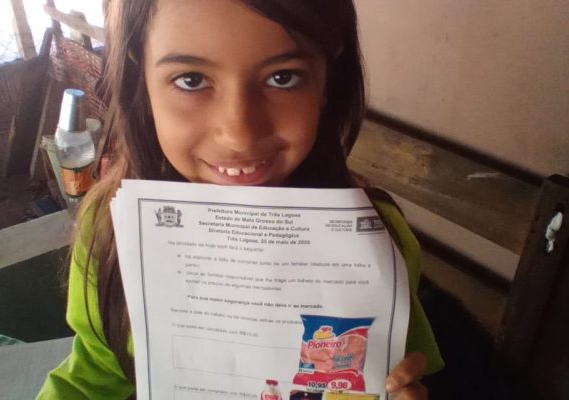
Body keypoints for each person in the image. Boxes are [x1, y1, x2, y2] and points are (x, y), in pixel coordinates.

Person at [37, 0, 444, 399]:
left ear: (327, 81)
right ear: (140, 80)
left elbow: (403, 366)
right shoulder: (112, 234)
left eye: (283, 77)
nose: (239, 134)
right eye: (191, 80)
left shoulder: (377, 238)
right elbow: (93, 374)